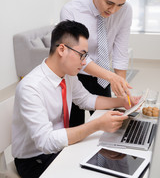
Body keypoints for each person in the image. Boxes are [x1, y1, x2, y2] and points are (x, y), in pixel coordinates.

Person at [12, 20, 137, 178]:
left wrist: (123, 102)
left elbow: (86, 100)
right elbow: (45, 142)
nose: (84, 62)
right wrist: (96, 125)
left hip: (60, 147)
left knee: (109, 159)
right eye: (82, 54)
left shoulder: (67, 76)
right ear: (62, 49)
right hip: (34, 159)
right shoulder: (31, 87)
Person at [60, 0, 133, 126]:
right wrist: (111, 76)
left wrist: (121, 89)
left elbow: (120, 50)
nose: (113, 10)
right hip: (74, 75)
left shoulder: (125, 11)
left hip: (103, 77)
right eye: (109, 3)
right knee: (75, 128)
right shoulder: (71, 11)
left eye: (120, 5)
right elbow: (75, 55)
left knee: (105, 127)